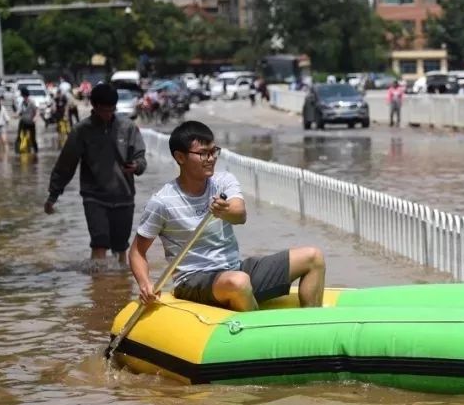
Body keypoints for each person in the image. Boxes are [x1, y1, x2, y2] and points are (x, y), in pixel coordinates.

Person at [130, 120, 326, 311]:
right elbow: (137, 251)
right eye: (203, 154)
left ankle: (313, 326)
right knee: (239, 282)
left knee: (313, 257)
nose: (211, 158)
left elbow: (240, 215)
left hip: (233, 269)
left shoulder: (223, 181)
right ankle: (254, 333)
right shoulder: (162, 201)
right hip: (193, 281)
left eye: (214, 151)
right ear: (180, 157)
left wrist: (225, 210)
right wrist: (145, 284)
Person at [44, 83, 147, 263]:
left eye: (111, 110)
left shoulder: (128, 127)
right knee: (99, 244)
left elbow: (141, 157)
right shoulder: (81, 131)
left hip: (124, 196)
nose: (108, 114)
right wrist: (53, 194)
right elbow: (66, 165)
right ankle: (97, 287)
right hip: (94, 197)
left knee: (121, 248)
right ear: (94, 106)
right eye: (104, 110)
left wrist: (137, 166)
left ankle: (119, 285)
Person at [16, 87, 39, 155]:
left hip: (31, 122)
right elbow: (20, 111)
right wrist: (16, 115)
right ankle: (19, 150)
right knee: (20, 136)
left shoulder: (32, 102)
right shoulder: (22, 103)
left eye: (24, 96)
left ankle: (36, 152)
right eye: (23, 96)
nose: (24, 97)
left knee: (33, 138)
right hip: (23, 122)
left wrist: (35, 117)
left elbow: (37, 111)